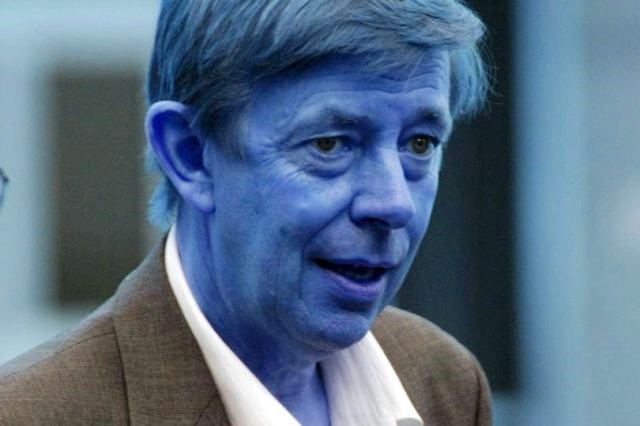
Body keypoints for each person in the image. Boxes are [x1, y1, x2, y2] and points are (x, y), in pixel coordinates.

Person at [0, 1, 492, 424]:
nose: (393, 203)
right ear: (190, 154)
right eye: (329, 144)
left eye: (420, 143)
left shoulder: (445, 384)